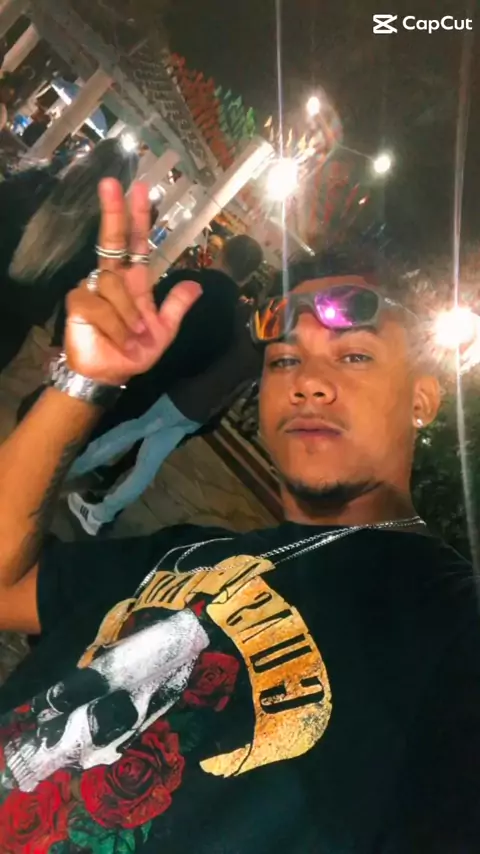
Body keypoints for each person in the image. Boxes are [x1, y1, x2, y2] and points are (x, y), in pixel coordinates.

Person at [0, 180, 477, 854]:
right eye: (285, 359)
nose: (308, 383)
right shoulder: (184, 553)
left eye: (354, 356)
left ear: (422, 400)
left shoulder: (449, 627)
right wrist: (83, 382)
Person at [67, 296, 262, 535]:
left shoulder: (242, 318)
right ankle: (101, 514)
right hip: (200, 412)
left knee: (122, 435)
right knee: (148, 463)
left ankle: (69, 471)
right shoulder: (267, 353)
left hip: (181, 396)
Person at [0, 138, 137, 371]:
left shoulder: (37, 182)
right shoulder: (96, 237)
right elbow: (76, 290)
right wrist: (59, 340)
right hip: (13, 321)